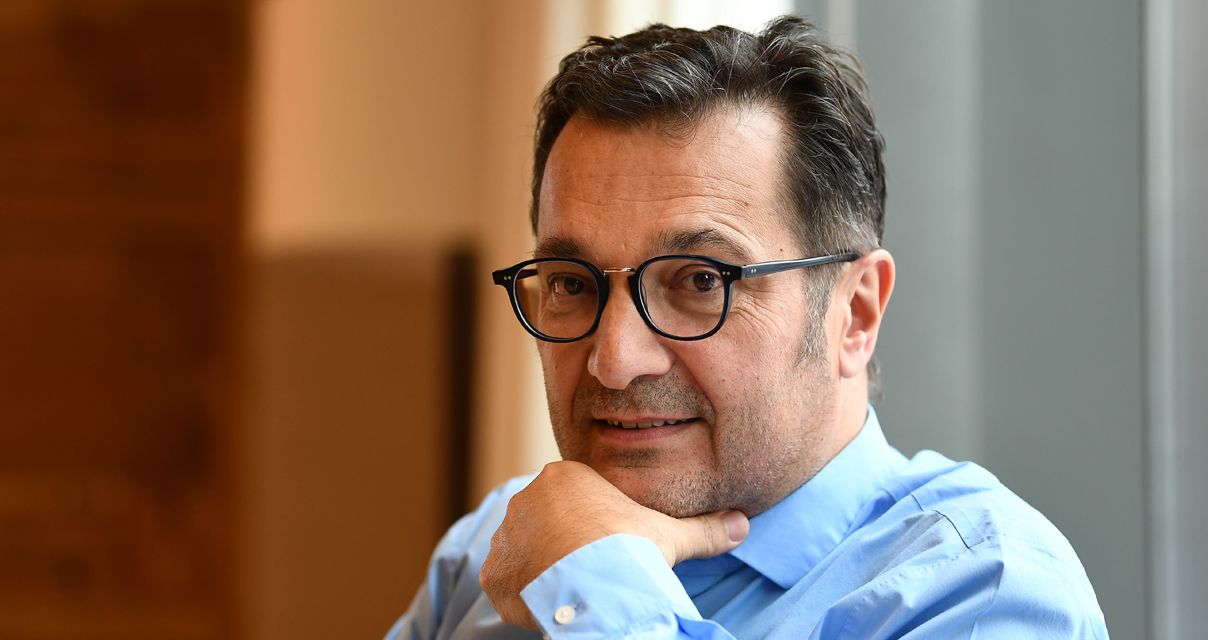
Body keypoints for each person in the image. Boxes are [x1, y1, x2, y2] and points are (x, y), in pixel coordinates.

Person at [388, 16, 1107, 639]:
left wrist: (593, 588)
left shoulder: (985, 590)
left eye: (701, 281)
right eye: (572, 284)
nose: (616, 359)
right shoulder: (496, 547)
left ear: (855, 313)